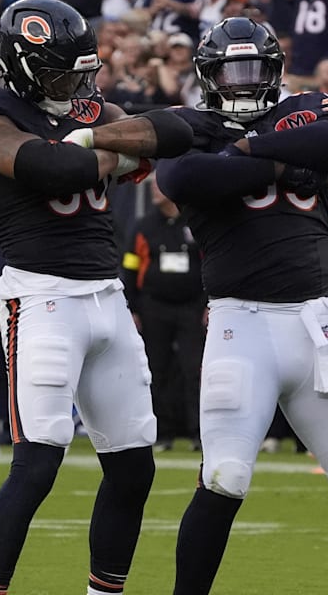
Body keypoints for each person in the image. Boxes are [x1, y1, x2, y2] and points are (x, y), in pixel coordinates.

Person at [0, 0, 193, 595]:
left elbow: (175, 133)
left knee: (135, 467)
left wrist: (83, 138)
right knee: (37, 464)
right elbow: (48, 169)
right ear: (24, 68)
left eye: (83, 70)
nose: (78, 84)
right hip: (42, 300)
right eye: (61, 73)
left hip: (108, 298)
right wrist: (104, 147)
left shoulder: (82, 107)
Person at [155, 17, 328, 595]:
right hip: (244, 324)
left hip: (321, 322)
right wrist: (280, 160)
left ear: (276, 71)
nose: (243, 81)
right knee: (226, 475)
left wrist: (244, 150)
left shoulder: (306, 106)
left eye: (255, 69)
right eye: (232, 71)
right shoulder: (192, 125)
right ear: (208, 76)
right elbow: (183, 175)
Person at [121, 176, 207, 452]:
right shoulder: (144, 226)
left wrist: (209, 303)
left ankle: (198, 432)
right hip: (153, 307)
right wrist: (132, 307)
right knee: (155, 369)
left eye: (159, 185)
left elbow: (210, 264)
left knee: (194, 368)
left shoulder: (196, 222)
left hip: (191, 307)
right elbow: (130, 266)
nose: (154, 190)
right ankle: (161, 432)